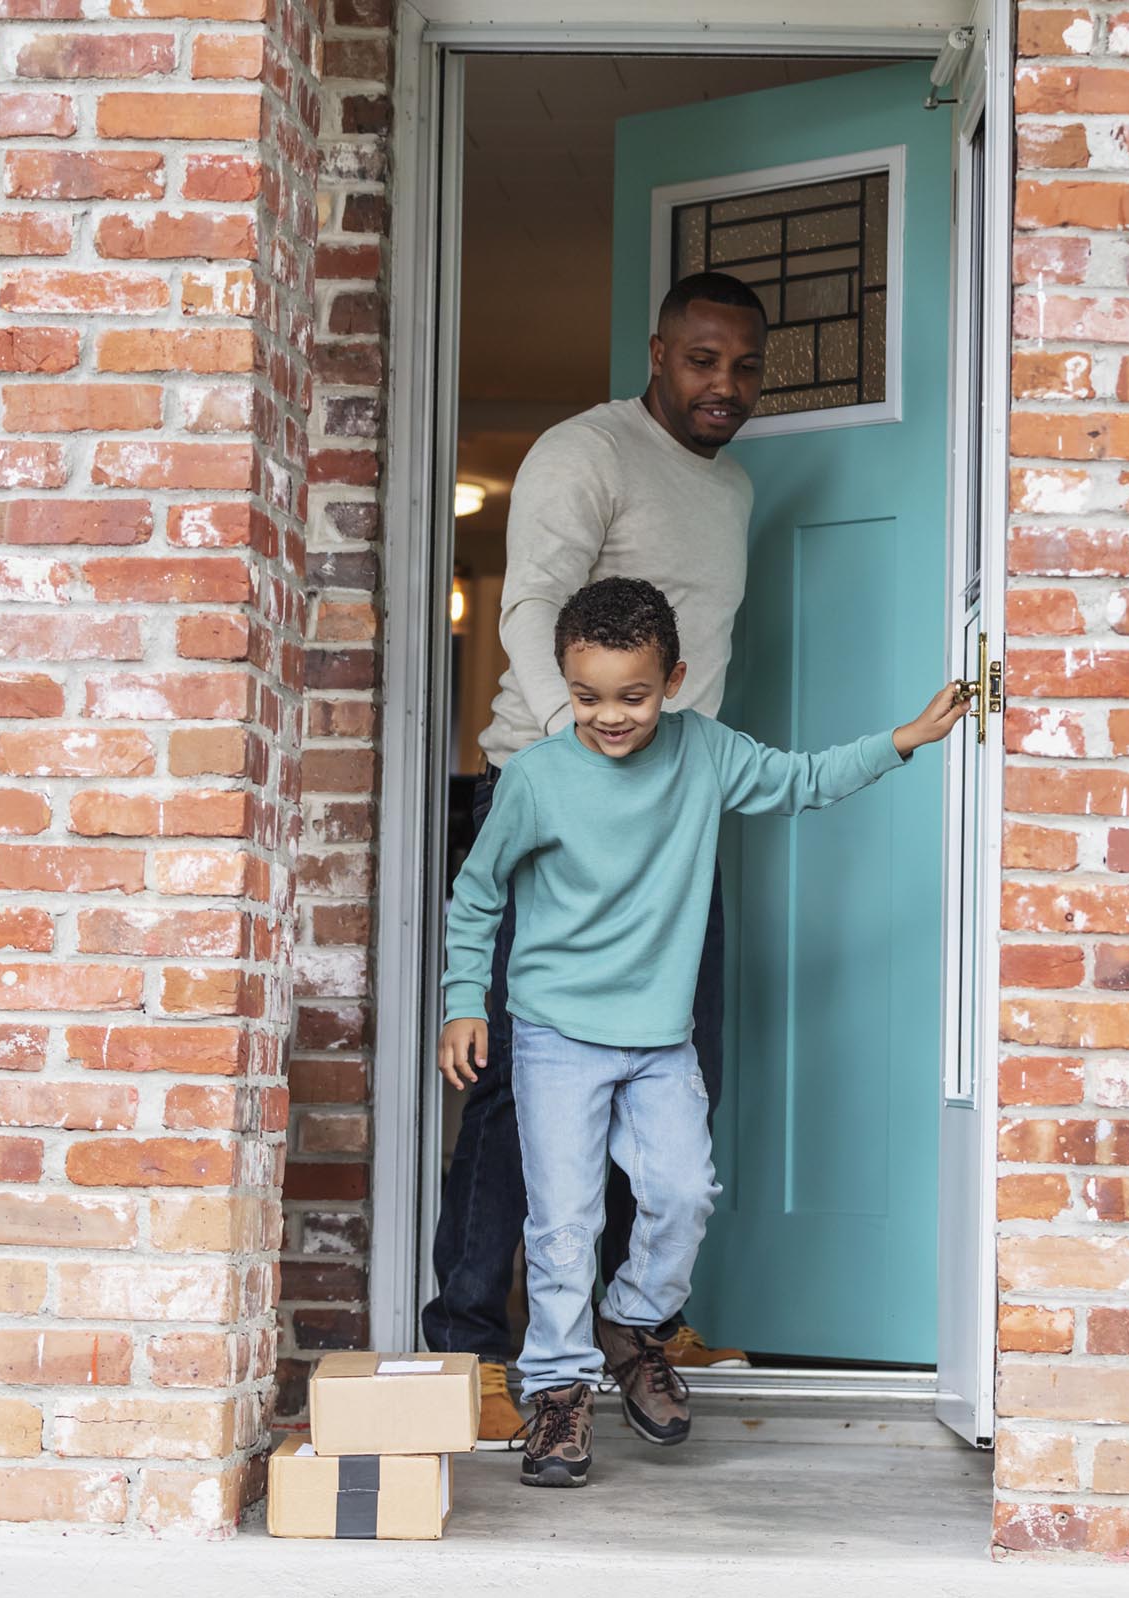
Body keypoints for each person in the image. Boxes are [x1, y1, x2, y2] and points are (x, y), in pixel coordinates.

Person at [438, 578, 971, 1488]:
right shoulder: (534, 780)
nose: (610, 717)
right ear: (565, 683)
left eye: (633, 696)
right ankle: (559, 1393)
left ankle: (631, 1324)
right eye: (588, 695)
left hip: (657, 1036)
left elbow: (803, 780)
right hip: (556, 1034)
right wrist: (461, 1001)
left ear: (673, 679)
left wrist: (902, 742)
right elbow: (479, 894)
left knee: (683, 1194)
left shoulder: (706, 754)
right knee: (563, 1223)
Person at [424, 270, 771, 1443]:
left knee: (673, 1085)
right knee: (517, 1096)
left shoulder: (732, 490)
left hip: (673, 824)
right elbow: (529, 613)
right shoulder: (588, 451)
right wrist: (585, 768)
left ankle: (629, 1331)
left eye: (743, 367)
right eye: (702, 360)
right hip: (565, 814)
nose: (723, 385)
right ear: (659, 350)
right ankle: (469, 1339)